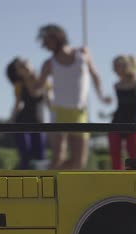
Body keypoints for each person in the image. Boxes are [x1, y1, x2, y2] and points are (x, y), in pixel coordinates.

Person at [34, 24, 111, 169]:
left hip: (79, 112)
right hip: (58, 112)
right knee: (58, 157)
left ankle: (47, 172)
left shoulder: (82, 54)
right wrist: (28, 79)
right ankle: (47, 183)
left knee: (78, 162)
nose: (44, 45)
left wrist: (102, 96)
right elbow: (37, 88)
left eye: (46, 41)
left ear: (57, 38)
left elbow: (95, 75)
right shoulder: (49, 63)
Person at [100, 55, 136, 170]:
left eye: (117, 66)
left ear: (125, 66)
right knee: (115, 154)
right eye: (114, 67)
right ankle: (118, 181)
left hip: (133, 123)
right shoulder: (116, 85)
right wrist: (106, 114)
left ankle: (133, 179)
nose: (114, 69)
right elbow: (121, 107)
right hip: (116, 123)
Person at [6, 57, 48, 169]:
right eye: (20, 66)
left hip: (39, 124)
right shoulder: (19, 86)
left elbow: (50, 103)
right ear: (18, 72)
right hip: (22, 124)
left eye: (25, 62)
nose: (24, 65)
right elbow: (17, 104)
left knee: (40, 157)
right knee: (25, 155)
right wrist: (10, 121)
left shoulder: (43, 81)